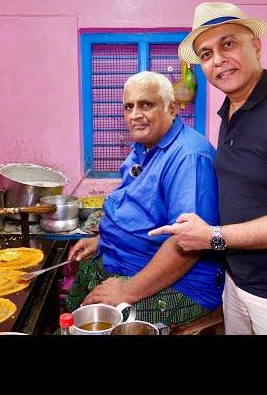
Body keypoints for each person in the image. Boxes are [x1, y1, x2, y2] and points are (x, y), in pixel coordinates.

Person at [149, 2, 267, 335]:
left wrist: (213, 237)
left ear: (256, 46)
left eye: (228, 43)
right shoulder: (231, 114)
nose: (217, 59)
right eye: (205, 54)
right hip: (237, 281)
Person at [66, 71, 223, 327]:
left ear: (171, 108)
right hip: (126, 262)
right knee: (72, 312)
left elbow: (187, 244)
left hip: (184, 284)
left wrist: (126, 292)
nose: (134, 115)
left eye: (146, 105)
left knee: (95, 324)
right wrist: (103, 238)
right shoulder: (143, 148)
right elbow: (136, 210)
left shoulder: (188, 157)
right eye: (129, 106)